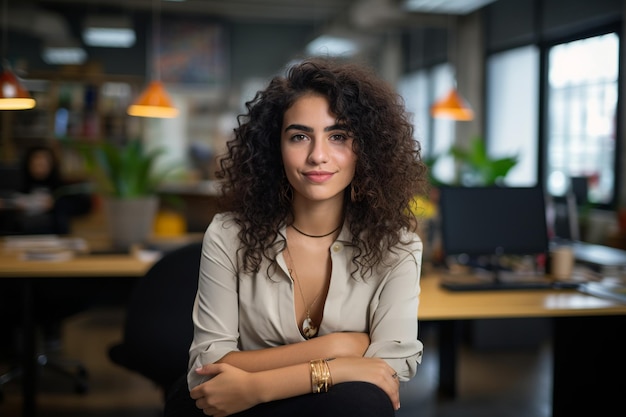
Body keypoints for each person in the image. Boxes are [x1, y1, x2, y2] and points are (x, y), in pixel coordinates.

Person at [167, 57, 428, 417]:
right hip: (235, 409)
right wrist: (340, 350)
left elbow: (390, 369)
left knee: (365, 402)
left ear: (365, 150)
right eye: (300, 136)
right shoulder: (229, 234)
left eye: (338, 136)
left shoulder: (398, 247)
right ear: (275, 147)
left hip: (310, 403)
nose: (318, 155)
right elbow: (207, 370)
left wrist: (257, 386)